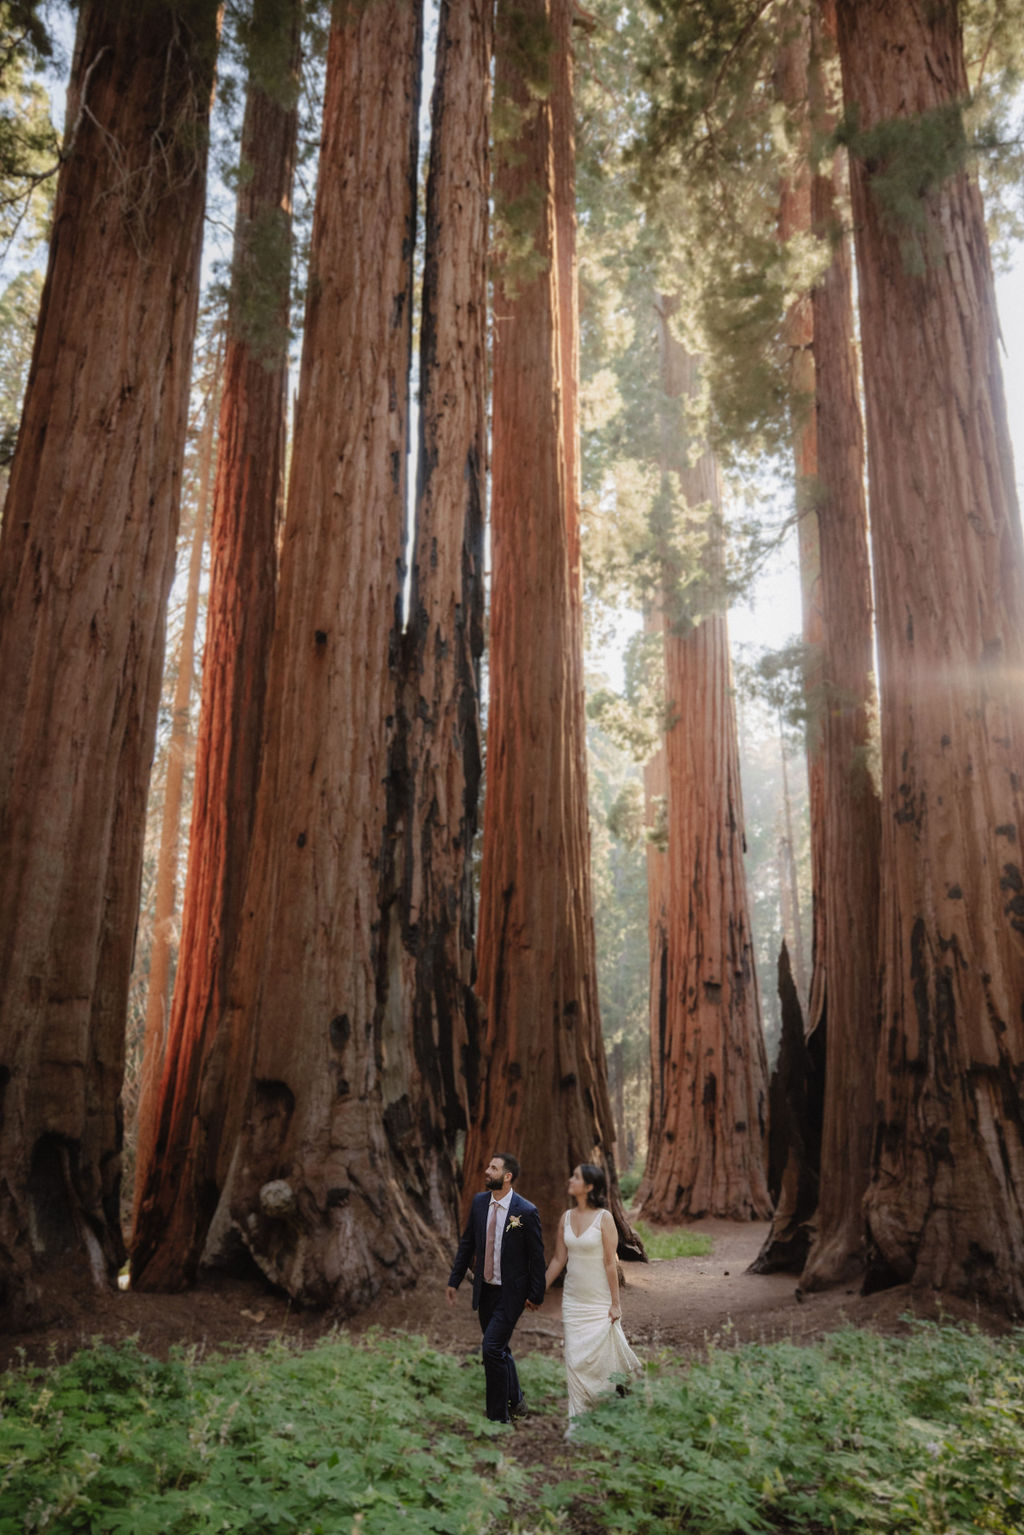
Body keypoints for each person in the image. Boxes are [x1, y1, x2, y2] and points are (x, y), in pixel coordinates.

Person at [446, 1152, 547, 1423]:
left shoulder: (525, 1211)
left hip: (510, 1293)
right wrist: (454, 1280)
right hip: (485, 1290)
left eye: (493, 1167)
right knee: (500, 1348)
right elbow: (467, 1243)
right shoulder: (480, 1203)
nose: (487, 1170)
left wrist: (536, 1294)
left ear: (507, 1176)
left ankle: (497, 1419)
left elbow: (537, 1257)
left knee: (490, 1348)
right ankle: (518, 1401)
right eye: (488, 1165)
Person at [544, 1162, 641, 1430]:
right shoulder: (566, 1217)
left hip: (598, 1300)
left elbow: (611, 1263)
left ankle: (615, 1400)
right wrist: (537, 1290)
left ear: (588, 1187)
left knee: (601, 1355)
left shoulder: (604, 1218)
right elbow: (557, 1259)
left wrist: (615, 1304)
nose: (570, 1179)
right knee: (575, 1359)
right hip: (573, 1300)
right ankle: (580, 1421)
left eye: (575, 1177)